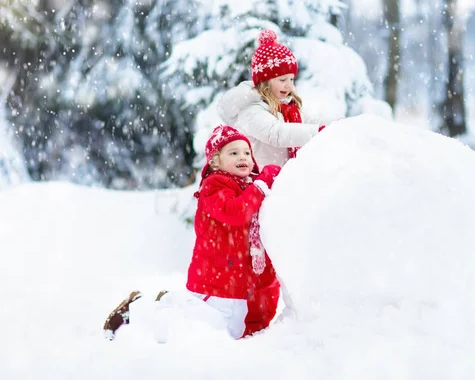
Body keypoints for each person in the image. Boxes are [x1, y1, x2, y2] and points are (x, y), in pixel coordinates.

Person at [104, 125, 281, 341]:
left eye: (246, 152)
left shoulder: (248, 187)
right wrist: (263, 183)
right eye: (233, 153)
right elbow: (236, 212)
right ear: (215, 162)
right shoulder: (214, 186)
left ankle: (168, 302)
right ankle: (139, 312)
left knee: (235, 331)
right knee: (196, 331)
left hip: (237, 285)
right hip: (216, 284)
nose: (242, 157)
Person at [218, 28, 326, 169]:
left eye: (291, 79)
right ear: (265, 81)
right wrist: (318, 131)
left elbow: (311, 120)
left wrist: (336, 125)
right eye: (282, 80)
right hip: (261, 182)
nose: (289, 86)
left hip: (284, 179)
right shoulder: (251, 110)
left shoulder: (288, 105)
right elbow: (277, 133)